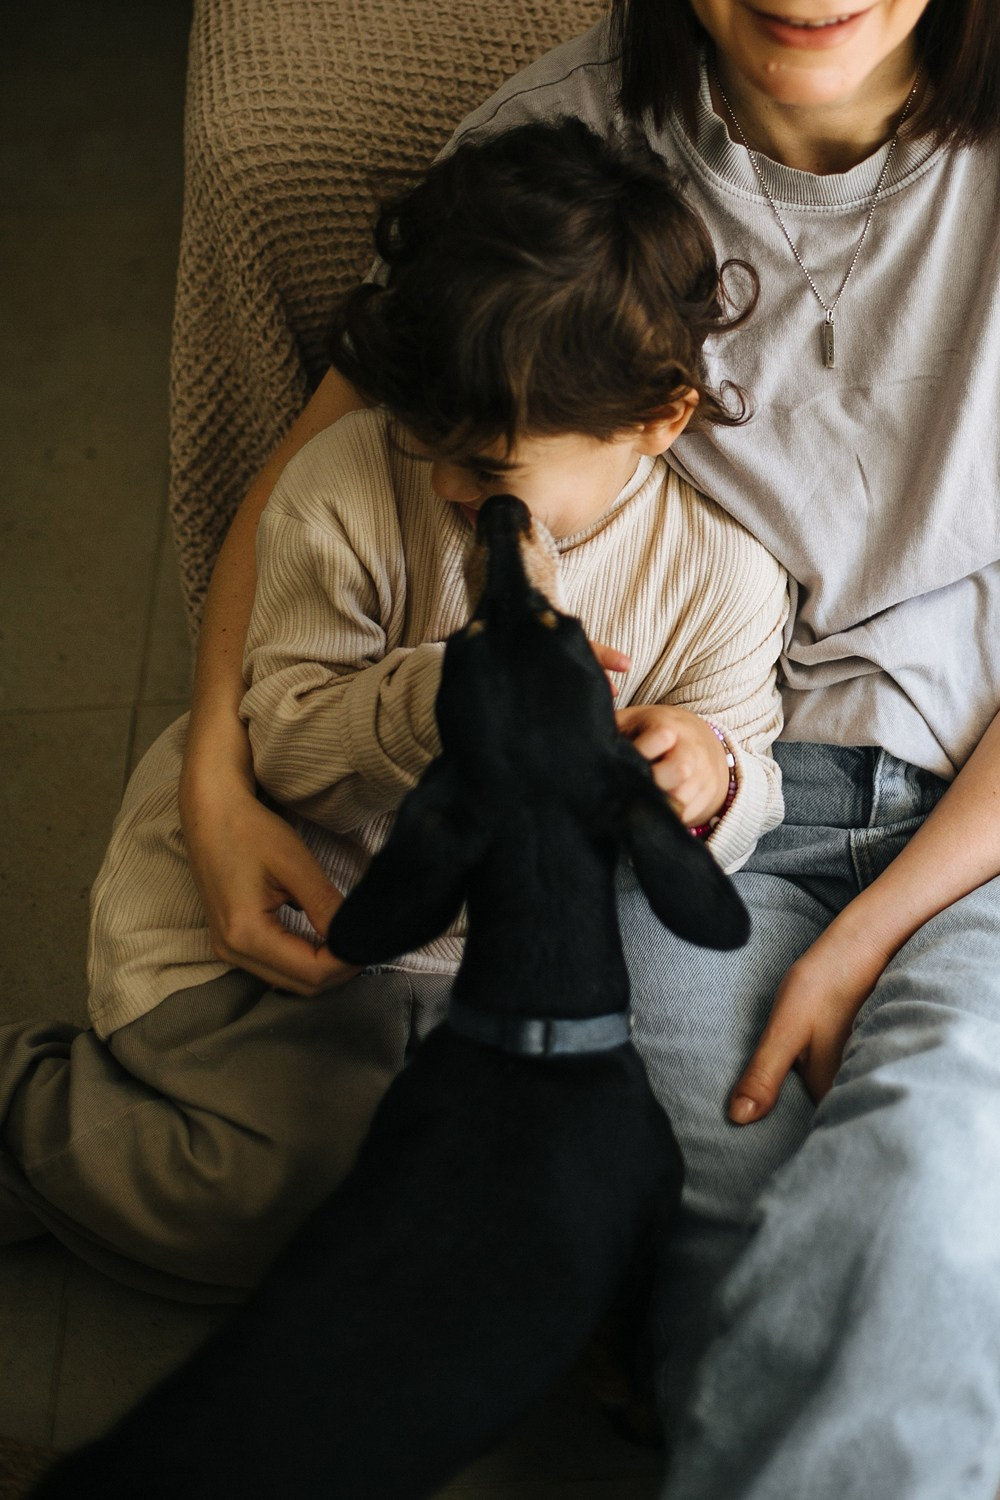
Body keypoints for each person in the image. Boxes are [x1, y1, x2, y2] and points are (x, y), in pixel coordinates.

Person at [166, 3, 1000, 1498]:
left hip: (975, 815)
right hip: (676, 822)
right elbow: (325, 456)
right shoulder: (566, 146)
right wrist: (212, 775)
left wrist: (868, 936)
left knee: (923, 1176)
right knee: (714, 1220)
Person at [0, 120, 788, 1308]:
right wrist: (434, 698)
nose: (448, 489)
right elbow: (287, 753)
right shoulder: (346, 489)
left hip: (471, 971)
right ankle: (29, 1113)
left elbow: (746, 800)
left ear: (660, 418)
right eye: (429, 447)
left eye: (492, 470)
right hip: (276, 914)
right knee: (291, 1200)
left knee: (495, 1221)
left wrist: (709, 778)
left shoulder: (721, 575)